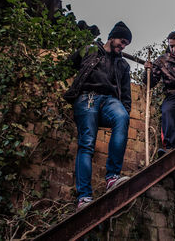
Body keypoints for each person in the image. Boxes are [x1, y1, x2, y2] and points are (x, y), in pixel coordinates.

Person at [64, 21, 132, 210]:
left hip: (110, 101)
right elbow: (69, 64)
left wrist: (124, 110)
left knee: (122, 117)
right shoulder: (90, 50)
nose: (123, 45)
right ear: (112, 36)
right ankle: (84, 197)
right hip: (89, 97)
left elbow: (126, 95)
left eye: (126, 43)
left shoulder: (123, 65)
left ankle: (112, 178)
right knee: (87, 143)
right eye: (122, 40)